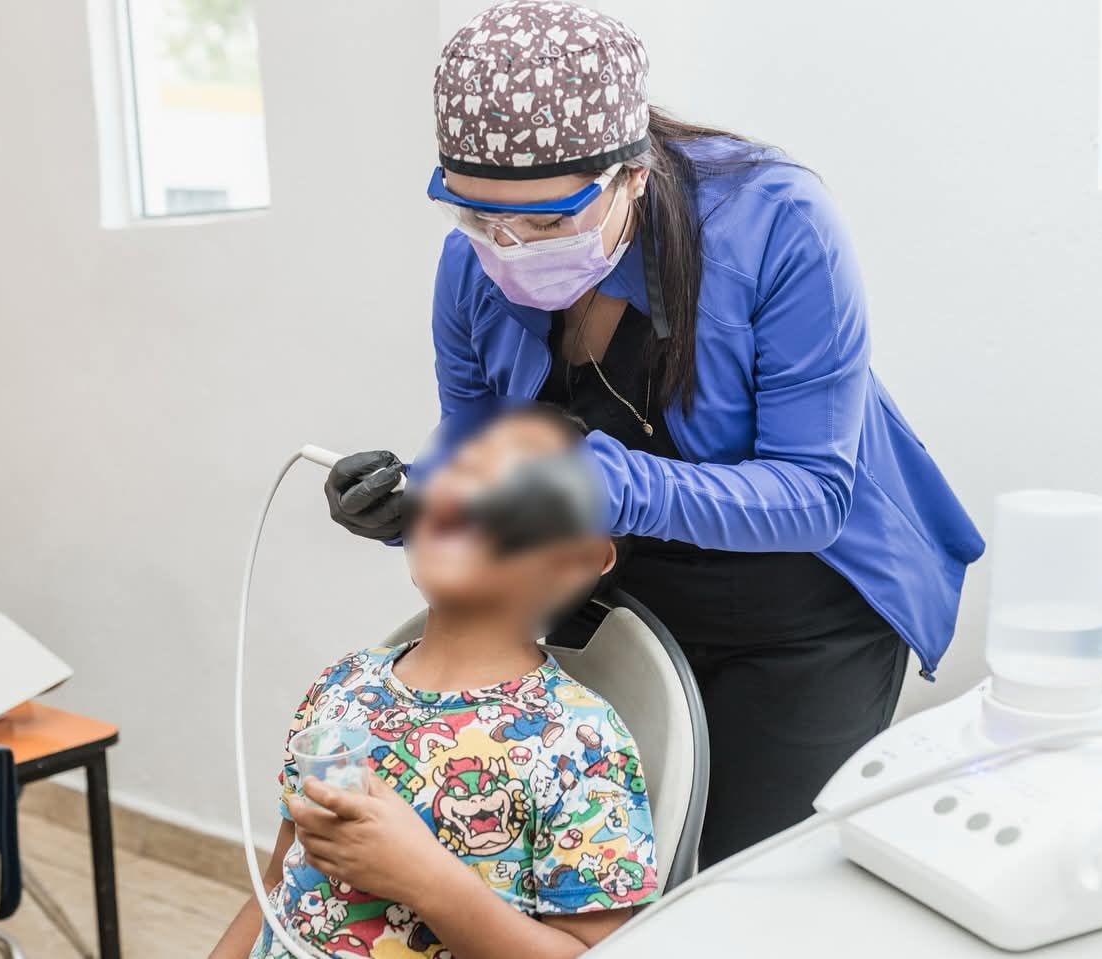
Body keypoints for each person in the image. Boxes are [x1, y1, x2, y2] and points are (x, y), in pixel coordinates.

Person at [327, 0, 985, 865]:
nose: (510, 247)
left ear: (632, 174)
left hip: (805, 611)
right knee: (620, 878)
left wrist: (603, 483)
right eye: (479, 217)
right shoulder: (471, 269)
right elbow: (478, 453)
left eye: (549, 220)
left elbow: (813, 495)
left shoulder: (774, 221)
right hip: (633, 607)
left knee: (737, 890)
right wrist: (413, 498)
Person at [213, 406, 657, 959]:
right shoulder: (343, 685)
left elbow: (594, 953)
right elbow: (278, 883)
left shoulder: (579, 741)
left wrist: (425, 878)